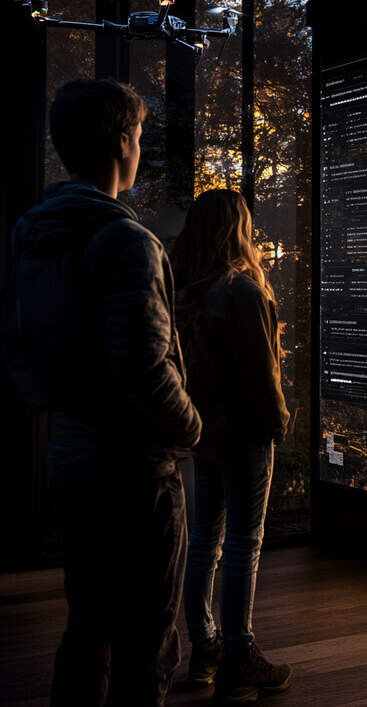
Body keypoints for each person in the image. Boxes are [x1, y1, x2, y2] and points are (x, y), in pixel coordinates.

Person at [1, 79, 202, 705]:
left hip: (70, 455)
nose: (141, 148)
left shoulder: (34, 235)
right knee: (148, 641)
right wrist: (192, 425)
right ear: (121, 142)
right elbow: (144, 365)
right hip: (134, 471)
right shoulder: (127, 242)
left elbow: (20, 344)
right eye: (139, 136)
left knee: (86, 626)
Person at [170, 189, 292, 704]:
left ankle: (205, 650)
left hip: (203, 431)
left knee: (205, 541)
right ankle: (241, 658)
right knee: (244, 542)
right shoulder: (243, 292)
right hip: (244, 431)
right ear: (237, 229)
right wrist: (280, 421)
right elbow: (263, 375)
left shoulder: (184, 292)